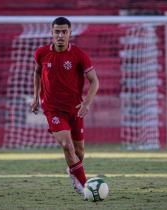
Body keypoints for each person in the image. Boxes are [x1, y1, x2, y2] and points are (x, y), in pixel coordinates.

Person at [31, 17, 99, 195]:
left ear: (70, 33)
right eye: (57, 31)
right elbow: (37, 73)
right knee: (66, 145)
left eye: (64, 31)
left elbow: (95, 82)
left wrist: (86, 103)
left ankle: (73, 171)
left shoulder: (79, 55)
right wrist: (36, 97)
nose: (60, 35)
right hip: (53, 109)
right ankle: (87, 187)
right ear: (51, 33)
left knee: (79, 151)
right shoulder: (41, 53)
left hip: (74, 109)